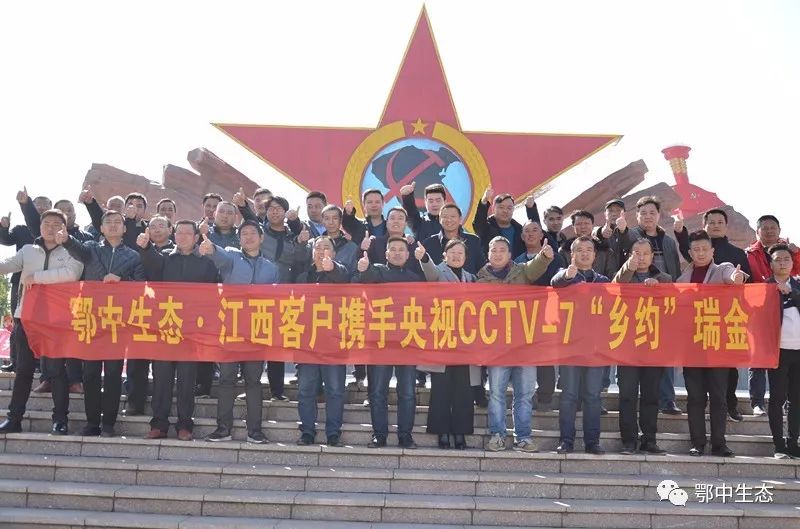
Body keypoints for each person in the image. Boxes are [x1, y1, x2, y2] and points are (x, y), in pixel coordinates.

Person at [61, 210, 145, 437]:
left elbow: (141, 287)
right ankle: (92, 423)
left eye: (118, 222)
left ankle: (108, 423)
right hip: (92, 320)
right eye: (108, 222)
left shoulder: (134, 256)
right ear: (101, 228)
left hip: (117, 322)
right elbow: (76, 248)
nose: (113, 225)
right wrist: (66, 239)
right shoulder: (91, 248)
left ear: (125, 228)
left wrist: (122, 281)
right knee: (90, 373)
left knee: (113, 374)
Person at [0, 209, 84, 434]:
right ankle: (14, 419)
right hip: (26, 318)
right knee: (24, 370)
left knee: (56, 370)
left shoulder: (72, 251)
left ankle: (60, 420)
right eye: (46, 223)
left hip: (55, 321)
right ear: (40, 227)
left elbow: (72, 274)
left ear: (64, 228)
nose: (51, 227)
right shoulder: (28, 250)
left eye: (56, 224)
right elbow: (6, 265)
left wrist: (36, 278)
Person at [138, 220, 219, 441]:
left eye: (187, 233)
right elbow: (151, 262)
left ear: (196, 237)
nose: (182, 236)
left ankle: (185, 425)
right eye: (179, 232)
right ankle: (159, 424)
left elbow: (214, 293)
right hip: (165, 326)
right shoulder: (165, 258)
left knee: (186, 380)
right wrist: (145, 247)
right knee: (161, 378)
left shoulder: (206, 263)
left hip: (191, 330)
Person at [198, 220, 277, 444]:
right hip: (230, 329)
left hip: (257, 331)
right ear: (239, 238)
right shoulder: (232, 256)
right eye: (244, 234)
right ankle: (223, 429)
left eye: (253, 233)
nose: (248, 237)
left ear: (261, 238)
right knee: (226, 379)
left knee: (253, 381)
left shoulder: (271, 268)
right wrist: (210, 248)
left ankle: (255, 431)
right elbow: (218, 254)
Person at [675, 208, 753, 421]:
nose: (716, 225)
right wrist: (680, 232)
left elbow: (743, 280)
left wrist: (737, 278)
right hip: (695, 330)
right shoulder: (689, 269)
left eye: (720, 222)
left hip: (724, 325)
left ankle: (731, 406)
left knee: (728, 372)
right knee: (697, 389)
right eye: (711, 222)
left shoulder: (737, 254)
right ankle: (699, 431)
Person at [477, 236, 553, 453]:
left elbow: (535, 266)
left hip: (525, 346)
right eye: (494, 250)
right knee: (496, 394)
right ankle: (497, 435)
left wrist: (544, 256)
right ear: (488, 254)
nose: (498, 254)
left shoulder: (521, 272)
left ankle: (524, 437)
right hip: (497, 347)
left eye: (502, 250)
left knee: (525, 395)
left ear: (510, 255)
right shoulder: (480, 281)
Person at [678, 230, 746, 457]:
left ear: (712, 250)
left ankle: (719, 444)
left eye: (704, 249)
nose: (700, 253)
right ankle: (697, 443)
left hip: (717, 345)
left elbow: (733, 277)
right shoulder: (683, 279)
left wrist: (737, 278)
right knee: (695, 398)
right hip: (692, 346)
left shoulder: (722, 269)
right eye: (696, 249)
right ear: (690, 253)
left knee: (718, 397)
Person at [355, 236, 423, 449]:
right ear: (386, 254)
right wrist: (363, 268)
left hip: (407, 341)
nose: (397, 253)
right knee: (377, 392)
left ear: (408, 254)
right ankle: (379, 435)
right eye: (392, 249)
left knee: (408, 393)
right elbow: (365, 278)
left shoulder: (415, 278)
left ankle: (405, 436)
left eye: (401, 249)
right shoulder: (377, 271)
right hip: (380, 341)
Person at [620, 196, 682, 416]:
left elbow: (675, 272)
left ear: (659, 215)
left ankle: (667, 399)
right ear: (636, 215)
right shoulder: (630, 237)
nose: (648, 216)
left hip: (661, 306)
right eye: (643, 213)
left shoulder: (668, 241)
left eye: (652, 213)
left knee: (663, 353)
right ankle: (633, 398)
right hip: (632, 309)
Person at [417, 239, 480, 449]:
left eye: (460, 252)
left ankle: (460, 432)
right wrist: (424, 258)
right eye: (452, 252)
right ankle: (442, 431)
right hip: (442, 340)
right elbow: (430, 272)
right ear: (445, 255)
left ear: (466, 257)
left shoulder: (471, 278)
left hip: (465, 343)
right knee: (441, 389)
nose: (456, 256)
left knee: (464, 391)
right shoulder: (439, 272)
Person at [612, 239, 671, 455]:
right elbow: (614, 289)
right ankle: (628, 441)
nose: (641, 257)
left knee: (651, 396)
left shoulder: (664, 279)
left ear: (652, 256)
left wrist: (660, 290)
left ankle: (649, 439)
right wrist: (628, 267)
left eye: (646, 253)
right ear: (630, 255)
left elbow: (672, 310)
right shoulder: (623, 276)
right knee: (627, 395)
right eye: (636, 253)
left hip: (653, 346)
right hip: (627, 346)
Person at [551, 236, 610, 454]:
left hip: (595, 348)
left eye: (588, 250)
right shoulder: (566, 276)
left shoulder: (602, 281)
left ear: (594, 255)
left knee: (593, 396)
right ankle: (566, 440)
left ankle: (592, 442)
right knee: (569, 395)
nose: (584, 253)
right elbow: (555, 282)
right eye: (580, 250)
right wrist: (568, 275)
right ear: (572, 254)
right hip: (570, 347)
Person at [295, 236, 350, 446]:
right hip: (307, 342)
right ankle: (307, 431)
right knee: (305, 390)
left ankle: (333, 433)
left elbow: (344, 278)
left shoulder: (340, 273)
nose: (321, 251)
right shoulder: (302, 277)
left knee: (335, 390)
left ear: (334, 254)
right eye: (317, 248)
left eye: (326, 247)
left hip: (333, 342)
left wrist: (332, 268)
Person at [745, 214, 800, 417]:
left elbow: (796, 273)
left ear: (779, 230)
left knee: (785, 366)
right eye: (765, 228)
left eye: (773, 228)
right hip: (761, 311)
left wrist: (796, 254)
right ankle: (757, 402)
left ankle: (787, 402)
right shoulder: (749, 254)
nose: (769, 231)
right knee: (758, 360)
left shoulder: (788, 252)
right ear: (757, 231)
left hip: (788, 314)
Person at [122, 215, 173, 416]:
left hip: (167, 312)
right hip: (141, 311)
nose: (157, 229)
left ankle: (160, 409)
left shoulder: (175, 253)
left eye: (161, 225)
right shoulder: (136, 252)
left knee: (162, 363)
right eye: (153, 226)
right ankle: (134, 401)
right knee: (136, 360)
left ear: (170, 230)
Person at [515, 220, 564, 411]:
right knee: (525, 356)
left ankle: (545, 397)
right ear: (522, 236)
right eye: (526, 231)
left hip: (547, 312)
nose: (530, 234)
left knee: (545, 356)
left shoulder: (555, 258)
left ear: (542, 234)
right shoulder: (517, 260)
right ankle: (525, 396)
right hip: (523, 314)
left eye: (535, 230)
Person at [0, 193, 51, 373]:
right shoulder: (21, 229)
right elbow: (5, 240)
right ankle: (15, 360)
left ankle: (39, 362)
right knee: (18, 321)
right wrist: (4, 228)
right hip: (20, 282)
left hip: (45, 282)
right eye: (38, 204)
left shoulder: (54, 232)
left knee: (40, 323)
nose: (41, 207)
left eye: (45, 205)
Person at [764, 244, 800, 458]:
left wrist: (792, 293)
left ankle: (793, 442)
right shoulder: (765, 287)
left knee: (797, 399)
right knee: (777, 398)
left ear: (792, 262)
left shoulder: (798, 285)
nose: (783, 263)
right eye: (778, 259)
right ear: (771, 264)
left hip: (799, 351)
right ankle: (778, 445)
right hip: (777, 351)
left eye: (787, 259)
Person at [472, 187, 530, 257]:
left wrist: (531, 210)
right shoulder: (486, 228)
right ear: (493, 208)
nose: (505, 211)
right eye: (501, 207)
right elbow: (478, 223)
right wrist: (484, 201)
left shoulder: (520, 230)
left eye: (509, 208)